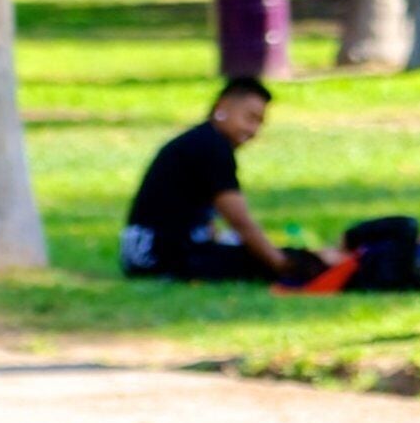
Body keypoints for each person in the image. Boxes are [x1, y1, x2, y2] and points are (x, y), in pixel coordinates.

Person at [123, 77, 314, 285]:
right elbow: (240, 221)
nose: (253, 131)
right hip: (157, 256)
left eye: (259, 123)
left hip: (141, 252)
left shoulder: (201, 140)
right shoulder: (213, 148)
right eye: (250, 118)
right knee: (265, 260)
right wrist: (279, 263)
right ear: (222, 106)